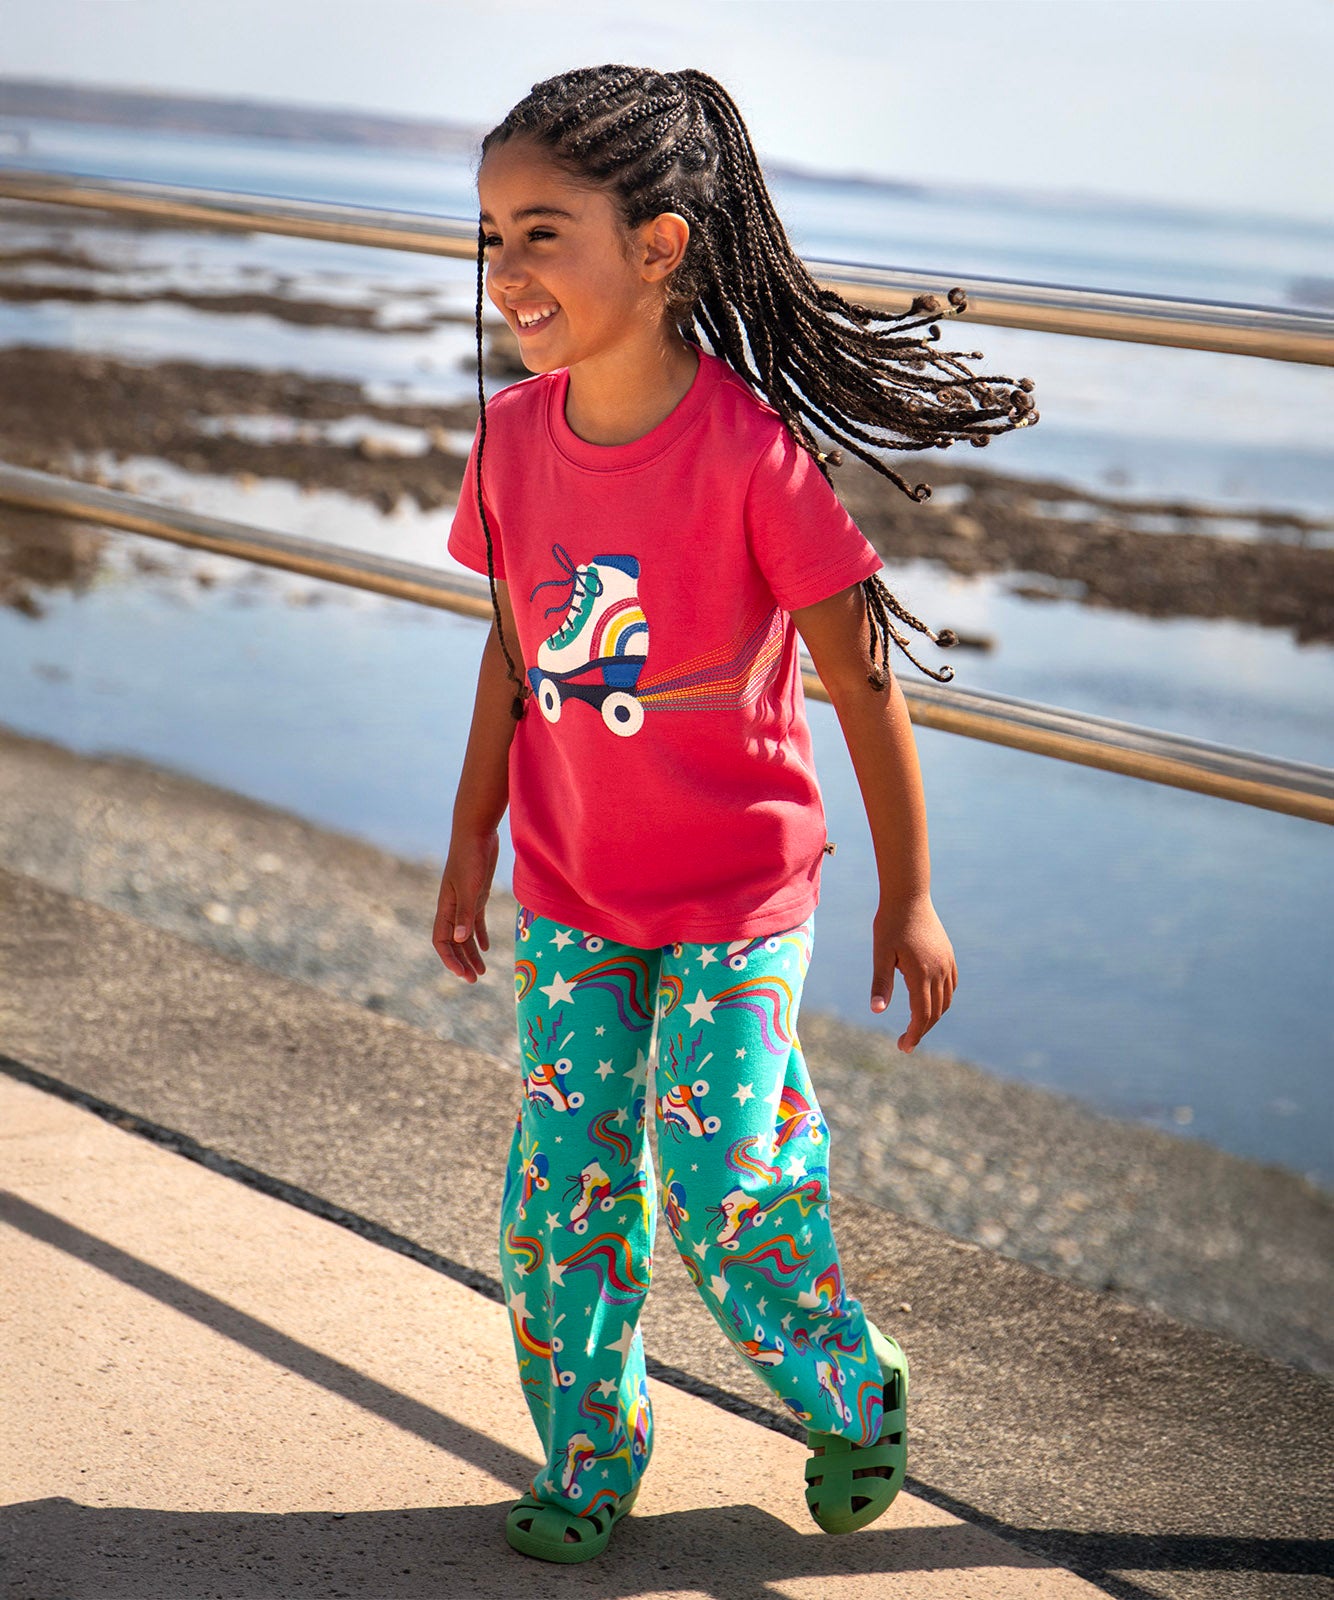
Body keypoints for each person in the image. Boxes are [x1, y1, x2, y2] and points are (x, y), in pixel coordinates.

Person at [433, 64, 1038, 1564]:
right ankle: (589, 1455)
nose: (506, 271)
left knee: (717, 1181)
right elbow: (515, 644)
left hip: (736, 894)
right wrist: (468, 842)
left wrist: (908, 896)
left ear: (658, 246)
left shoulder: (749, 455)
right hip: (573, 887)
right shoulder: (511, 440)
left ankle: (850, 1382)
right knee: (557, 1197)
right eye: (491, 235)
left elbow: (863, 678)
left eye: (542, 234)